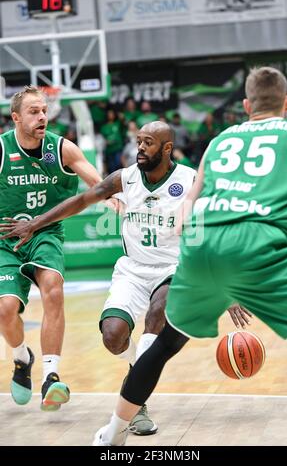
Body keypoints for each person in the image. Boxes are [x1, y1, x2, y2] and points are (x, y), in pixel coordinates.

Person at [0, 120, 250, 435]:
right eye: (138, 141)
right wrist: (36, 223)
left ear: (167, 149)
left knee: (158, 313)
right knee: (113, 336)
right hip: (132, 270)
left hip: (173, 268)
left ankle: (133, 403)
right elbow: (80, 201)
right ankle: (137, 376)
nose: (140, 148)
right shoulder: (125, 178)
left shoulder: (190, 181)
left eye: (148, 143)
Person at [0, 85, 105, 412]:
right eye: (33, 111)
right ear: (16, 117)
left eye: (44, 110)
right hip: (5, 240)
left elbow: (97, 183)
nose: (42, 116)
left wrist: (113, 197)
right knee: (4, 311)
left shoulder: (61, 149)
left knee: (54, 290)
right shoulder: (2, 150)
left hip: (44, 233)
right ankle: (21, 359)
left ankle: (51, 376)